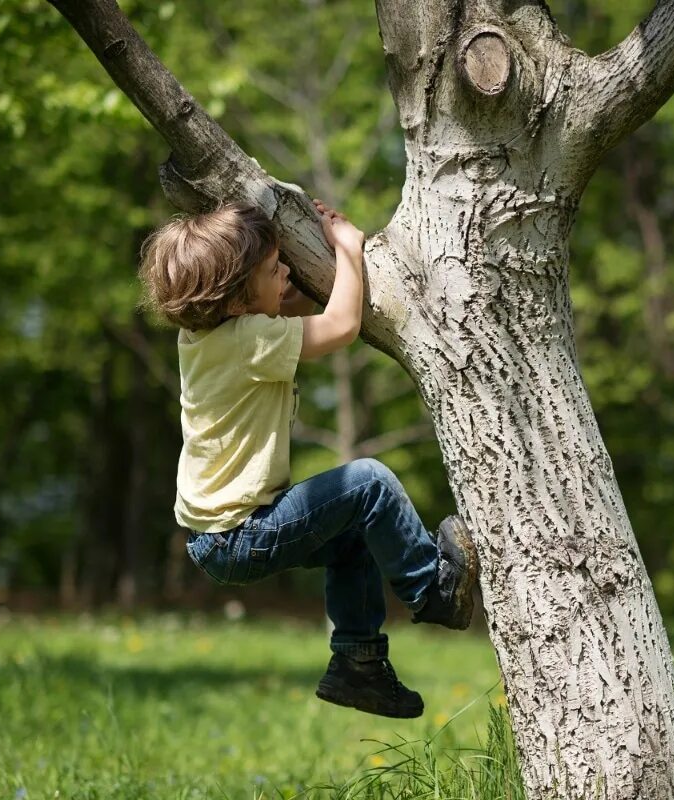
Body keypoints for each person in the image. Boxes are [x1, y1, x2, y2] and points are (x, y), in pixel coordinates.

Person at [138, 199, 477, 719]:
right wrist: (348, 250)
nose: (289, 274)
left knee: (354, 535)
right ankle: (433, 589)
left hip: (217, 540)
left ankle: (357, 665)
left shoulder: (203, 337)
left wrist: (281, 290)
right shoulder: (251, 340)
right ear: (236, 304)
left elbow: (283, 313)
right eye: (275, 271)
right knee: (370, 484)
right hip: (241, 533)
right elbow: (340, 326)